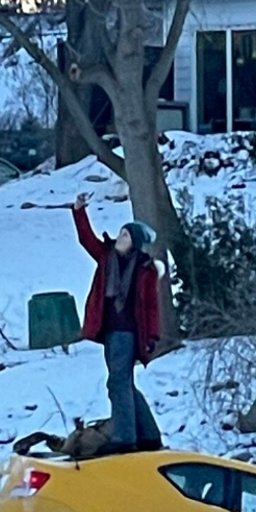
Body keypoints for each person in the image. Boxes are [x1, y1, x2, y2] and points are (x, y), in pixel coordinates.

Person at [73, 193, 164, 456]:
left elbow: (150, 306)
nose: (120, 238)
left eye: (125, 236)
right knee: (123, 382)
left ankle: (125, 437)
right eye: (121, 233)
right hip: (110, 331)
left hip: (129, 333)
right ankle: (148, 434)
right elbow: (86, 239)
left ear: (134, 243)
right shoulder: (106, 257)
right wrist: (79, 211)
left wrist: (152, 336)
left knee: (117, 383)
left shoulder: (144, 269)